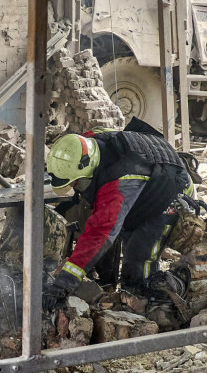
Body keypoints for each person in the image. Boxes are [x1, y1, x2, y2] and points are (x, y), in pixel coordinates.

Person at [42, 129, 195, 311]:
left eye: (75, 183)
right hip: (148, 183)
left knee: (140, 256)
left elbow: (99, 234)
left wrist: (63, 283)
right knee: (120, 232)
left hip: (170, 194)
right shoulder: (86, 145)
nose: (75, 187)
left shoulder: (117, 183)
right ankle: (122, 292)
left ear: (85, 168)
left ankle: (152, 309)